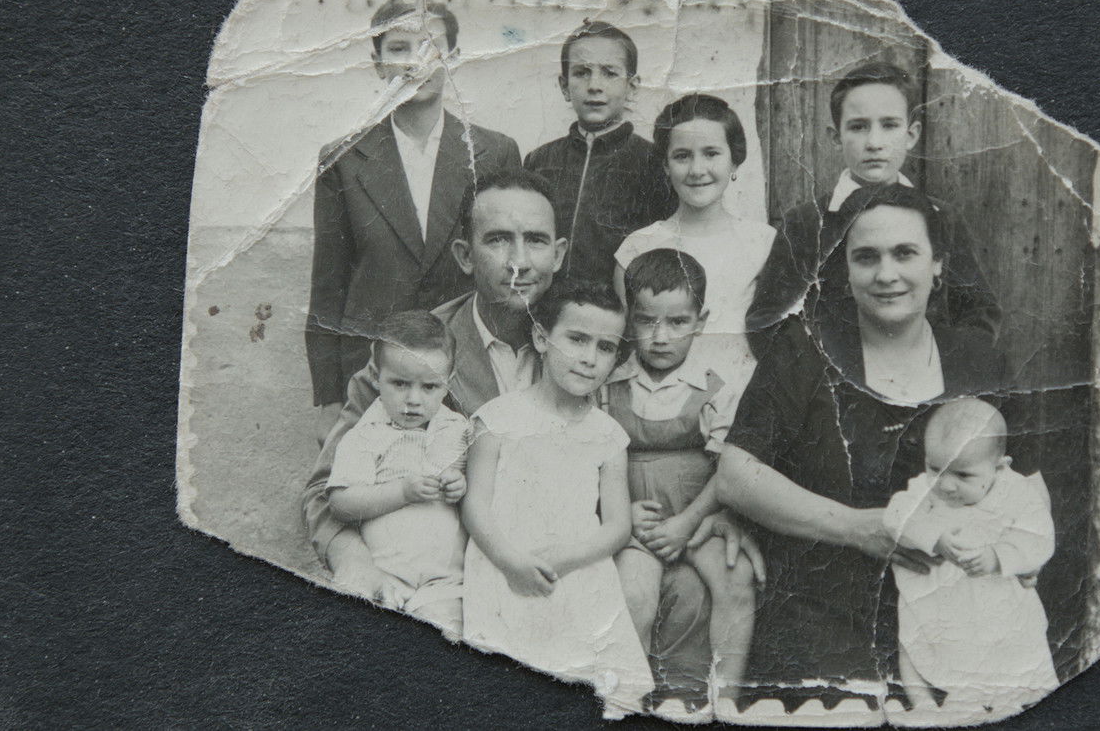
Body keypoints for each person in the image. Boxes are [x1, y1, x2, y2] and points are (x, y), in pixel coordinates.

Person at [301, 170, 718, 696]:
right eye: (498, 240)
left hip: (576, 550)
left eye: (536, 241)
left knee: (661, 595)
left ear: (560, 253)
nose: (519, 261)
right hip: (461, 558)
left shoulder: (595, 342)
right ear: (465, 255)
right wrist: (356, 561)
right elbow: (325, 487)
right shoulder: (420, 352)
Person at [714, 183, 1009, 712]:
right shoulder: (806, 347)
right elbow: (737, 472)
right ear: (845, 272)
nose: (887, 274)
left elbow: (1012, 485)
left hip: (950, 609)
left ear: (938, 264)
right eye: (866, 257)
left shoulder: (975, 362)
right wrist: (857, 528)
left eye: (905, 254)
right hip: (822, 609)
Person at [306, 0, 521, 440]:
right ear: (377, 63)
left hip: (467, 365)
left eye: (431, 47)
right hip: (373, 370)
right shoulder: (344, 158)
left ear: (455, 58)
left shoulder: (495, 152)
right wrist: (330, 397)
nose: (415, 61)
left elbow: (505, 271)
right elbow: (328, 282)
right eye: (399, 48)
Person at [461, 279, 653, 713]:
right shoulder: (497, 419)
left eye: (606, 348)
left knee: (586, 688)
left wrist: (562, 561)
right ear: (541, 338)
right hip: (504, 564)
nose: (589, 358)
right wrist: (513, 562)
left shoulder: (607, 435)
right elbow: (474, 505)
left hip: (576, 569)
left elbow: (618, 525)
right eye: (577, 339)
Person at [604, 249, 761, 703]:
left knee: (736, 576)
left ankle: (725, 699)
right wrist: (623, 516)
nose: (659, 337)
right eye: (645, 321)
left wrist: (688, 523)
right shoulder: (610, 384)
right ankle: (623, 699)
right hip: (636, 525)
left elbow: (728, 468)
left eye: (677, 322)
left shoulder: (713, 387)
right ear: (628, 319)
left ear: (701, 320)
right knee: (633, 590)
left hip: (698, 519)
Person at [748, 62, 1000, 343]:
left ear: (912, 134)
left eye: (889, 125)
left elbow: (980, 313)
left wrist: (938, 368)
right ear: (836, 137)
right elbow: (766, 319)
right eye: (858, 127)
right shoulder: (806, 223)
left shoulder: (942, 217)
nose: (874, 142)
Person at [883, 398, 1058, 713]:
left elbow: (1039, 536)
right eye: (935, 469)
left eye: (963, 475)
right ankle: (922, 702)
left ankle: (1007, 702)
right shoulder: (926, 490)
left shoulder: (1015, 492)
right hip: (938, 595)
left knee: (1008, 647)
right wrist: (933, 538)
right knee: (914, 639)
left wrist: (998, 556)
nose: (945, 485)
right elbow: (895, 514)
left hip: (993, 595)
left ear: (999, 467)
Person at [324, 311, 470, 637]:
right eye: (400, 384)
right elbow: (341, 503)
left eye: (430, 386)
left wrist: (458, 486)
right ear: (376, 376)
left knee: (448, 639)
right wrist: (401, 492)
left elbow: (472, 489)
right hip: (383, 572)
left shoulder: (458, 429)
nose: (413, 400)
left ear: (449, 379)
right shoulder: (365, 434)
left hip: (444, 579)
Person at [614, 94, 776, 385]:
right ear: (665, 165)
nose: (697, 170)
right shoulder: (637, 247)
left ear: (735, 161)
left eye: (711, 153)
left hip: (742, 399)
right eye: (682, 156)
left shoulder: (763, 243)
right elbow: (627, 347)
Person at [524, 20, 676, 284]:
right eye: (582, 72)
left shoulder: (653, 161)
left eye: (609, 72)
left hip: (616, 313)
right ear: (564, 86)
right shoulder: (539, 161)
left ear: (632, 87)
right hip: (548, 310)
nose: (594, 85)